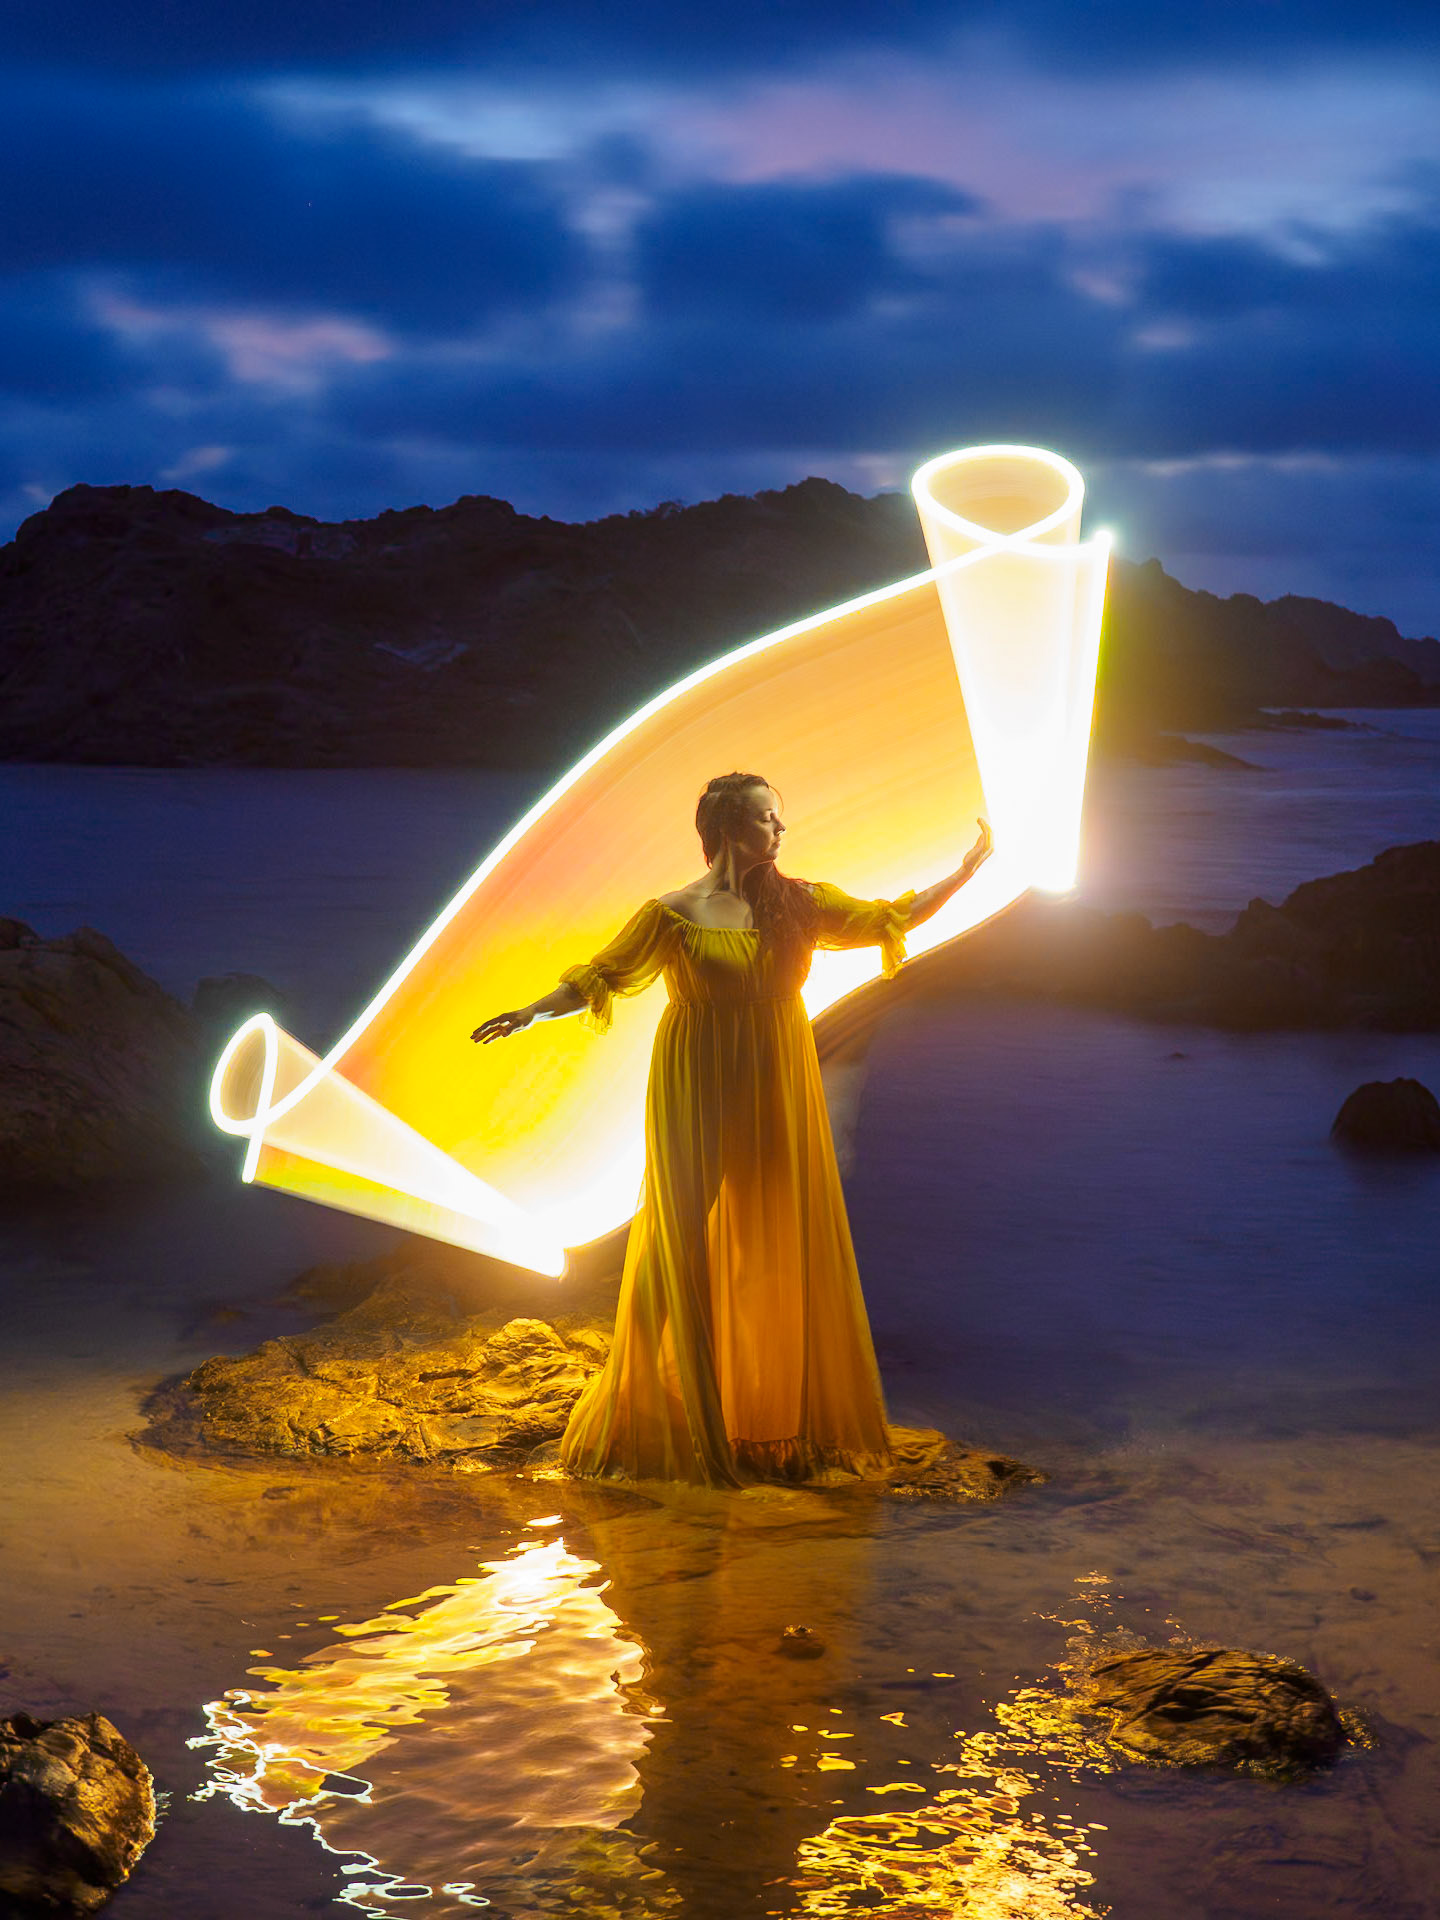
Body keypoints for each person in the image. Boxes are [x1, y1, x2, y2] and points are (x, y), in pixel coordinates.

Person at [472, 772, 993, 1487]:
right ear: (725, 830)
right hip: (696, 1075)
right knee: (683, 1230)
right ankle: (659, 1406)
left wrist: (965, 873)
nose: (781, 831)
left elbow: (888, 918)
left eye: (779, 818)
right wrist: (530, 1011)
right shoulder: (673, 913)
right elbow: (603, 976)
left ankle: (768, 1410)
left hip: (777, 1071)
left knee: (774, 1229)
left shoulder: (801, 903)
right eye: (766, 820)